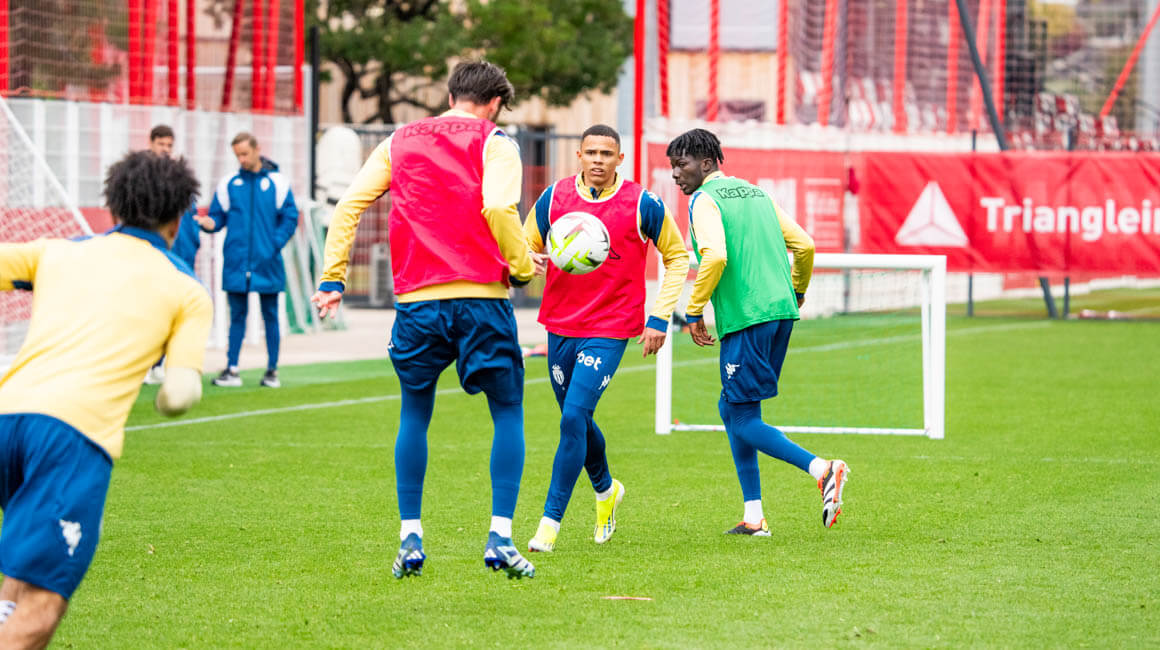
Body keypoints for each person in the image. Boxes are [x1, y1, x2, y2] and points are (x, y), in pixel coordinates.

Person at [311, 61, 537, 579]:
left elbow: (348, 206)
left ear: (451, 95)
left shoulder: (399, 140)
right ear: (495, 103)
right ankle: (500, 536)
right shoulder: (496, 141)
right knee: (507, 411)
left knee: (414, 412)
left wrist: (333, 279)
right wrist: (522, 267)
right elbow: (499, 208)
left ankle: (410, 536)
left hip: (417, 302)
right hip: (481, 299)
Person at [0, 151, 211, 647]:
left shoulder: (57, 253)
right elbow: (178, 395)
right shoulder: (186, 289)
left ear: (113, 207)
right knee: (44, 602)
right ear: (177, 219)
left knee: (22, 578)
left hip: (7, 414)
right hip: (71, 435)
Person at [666, 128, 850, 535]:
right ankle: (753, 517)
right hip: (780, 312)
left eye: (682, 164)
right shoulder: (757, 193)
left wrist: (693, 310)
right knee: (732, 409)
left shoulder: (704, 200)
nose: (676, 174)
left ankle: (823, 469)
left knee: (743, 417)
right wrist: (797, 291)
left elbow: (715, 255)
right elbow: (804, 245)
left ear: (707, 164)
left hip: (747, 316)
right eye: (673, 166)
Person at [523, 124, 689, 553]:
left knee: (572, 418)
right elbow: (523, 247)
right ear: (579, 155)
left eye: (606, 153)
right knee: (576, 419)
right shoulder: (554, 198)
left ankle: (549, 524)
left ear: (620, 159)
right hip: (560, 324)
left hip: (611, 327)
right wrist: (524, 263)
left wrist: (660, 317)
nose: (598, 160)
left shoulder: (642, 203)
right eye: (591, 152)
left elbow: (677, 256)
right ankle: (606, 490)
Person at [198, 132, 298, 389]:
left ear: (256, 149)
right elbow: (217, 217)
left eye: (244, 153)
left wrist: (273, 244)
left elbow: (290, 217)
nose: (241, 159)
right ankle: (232, 369)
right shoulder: (228, 184)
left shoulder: (277, 182)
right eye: (237, 155)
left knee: (270, 315)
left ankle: (272, 370)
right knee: (237, 315)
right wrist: (208, 224)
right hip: (237, 262)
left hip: (268, 262)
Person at [144, 124, 203, 385]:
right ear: (151, 143)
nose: (166, 150)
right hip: (158, 256)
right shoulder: (143, 176)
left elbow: (189, 216)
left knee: (178, 314)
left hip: (183, 255)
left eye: (169, 145)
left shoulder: (179, 177)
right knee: (152, 312)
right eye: (161, 144)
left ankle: (164, 363)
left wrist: (195, 239)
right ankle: (146, 364)